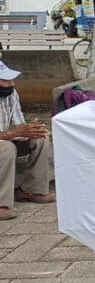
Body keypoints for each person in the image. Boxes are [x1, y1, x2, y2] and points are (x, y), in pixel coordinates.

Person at [0, 61, 55, 220]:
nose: (12, 84)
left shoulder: (11, 93)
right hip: (4, 141)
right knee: (7, 148)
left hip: (6, 136)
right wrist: (12, 133)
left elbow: (19, 122)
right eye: (5, 80)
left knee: (41, 136)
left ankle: (31, 190)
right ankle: (2, 204)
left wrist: (30, 129)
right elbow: (12, 133)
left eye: (11, 80)